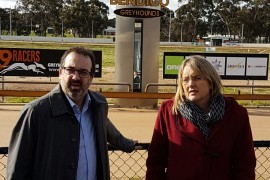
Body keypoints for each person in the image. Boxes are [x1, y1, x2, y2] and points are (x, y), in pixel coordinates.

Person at [7, 46, 141, 180]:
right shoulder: (35, 112)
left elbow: (105, 126)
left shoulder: (99, 104)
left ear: (91, 78)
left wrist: (126, 144)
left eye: (83, 72)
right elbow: (17, 171)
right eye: (70, 70)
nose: (75, 77)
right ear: (60, 73)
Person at [146, 55, 256, 180]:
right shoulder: (169, 111)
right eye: (185, 80)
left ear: (211, 82)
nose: (191, 84)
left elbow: (245, 164)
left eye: (197, 78)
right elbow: (155, 161)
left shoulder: (236, 114)